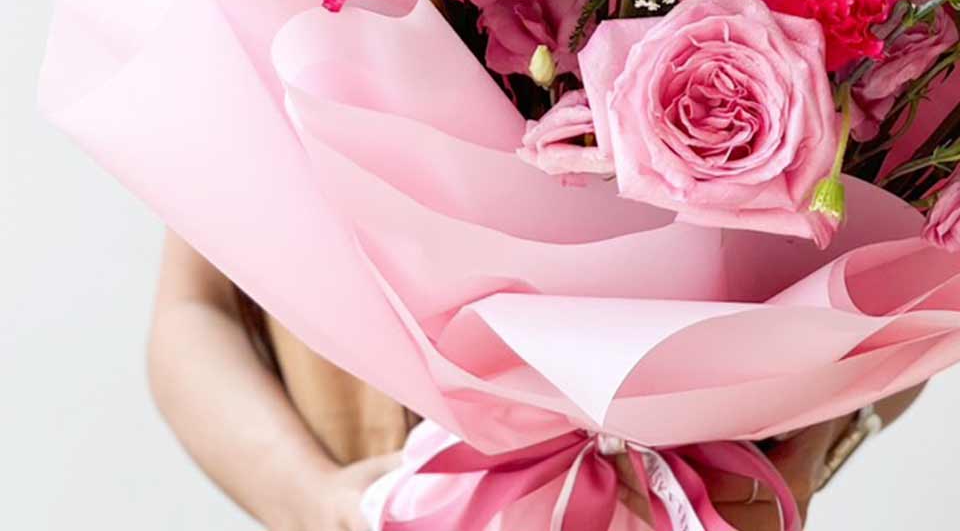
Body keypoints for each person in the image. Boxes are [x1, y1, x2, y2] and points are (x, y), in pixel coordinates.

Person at [149, 231, 923, 531]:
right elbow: (194, 304)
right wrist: (318, 503)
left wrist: (819, 439)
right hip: (367, 490)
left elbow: (908, 271)